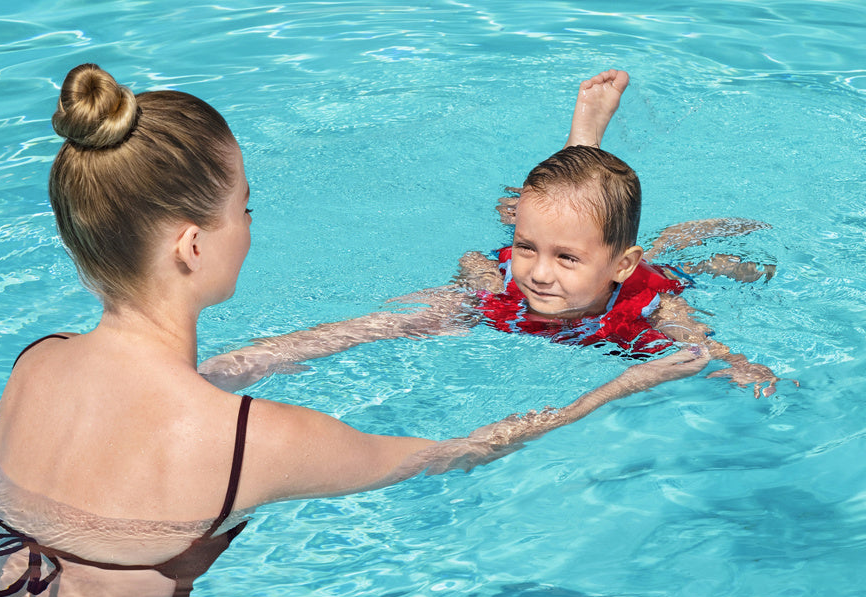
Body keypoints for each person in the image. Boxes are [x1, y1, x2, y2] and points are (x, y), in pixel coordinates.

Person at [0, 63, 708, 597]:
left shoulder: (36, 364)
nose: (251, 228)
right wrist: (622, 385)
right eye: (245, 209)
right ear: (195, 244)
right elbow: (464, 450)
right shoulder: (251, 440)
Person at [201, 70, 784, 399]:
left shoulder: (648, 303)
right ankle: (577, 149)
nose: (539, 273)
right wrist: (256, 358)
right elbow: (377, 326)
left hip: (648, 265)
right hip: (554, 250)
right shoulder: (507, 288)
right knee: (550, 216)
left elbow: (697, 343)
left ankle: (594, 153)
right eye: (528, 249)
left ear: (619, 267)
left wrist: (737, 362)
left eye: (564, 260)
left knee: (703, 258)